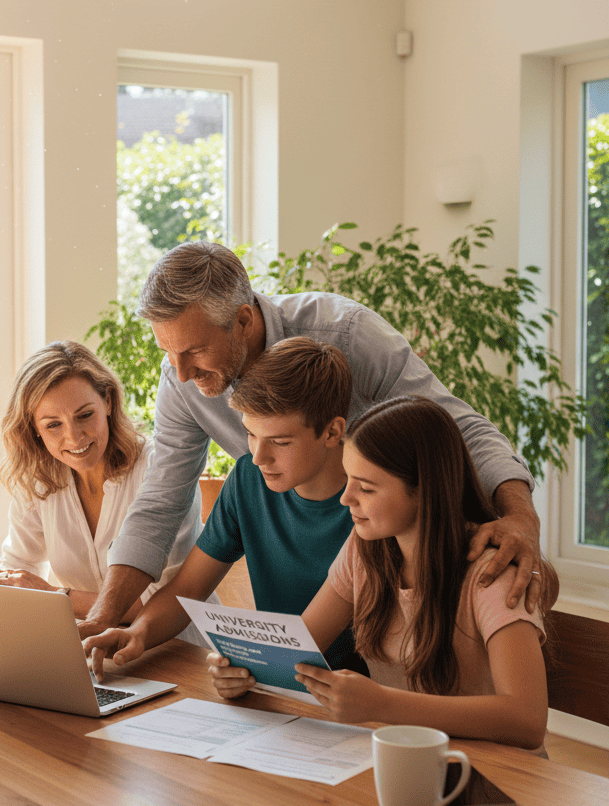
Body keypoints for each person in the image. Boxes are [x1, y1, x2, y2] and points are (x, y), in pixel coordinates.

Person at [78, 241, 545, 641]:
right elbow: (160, 502)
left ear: (243, 320)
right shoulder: (185, 381)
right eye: (167, 352)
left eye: (195, 350)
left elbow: (462, 430)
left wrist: (520, 518)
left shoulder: (346, 334)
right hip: (344, 581)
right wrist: (104, 616)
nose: (180, 372)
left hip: (418, 572)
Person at [210, 396, 553, 752]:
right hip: (409, 758)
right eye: (349, 479)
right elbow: (297, 648)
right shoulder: (365, 550)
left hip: (495, 775)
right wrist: (242, 669)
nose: (346, 499)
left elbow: (527, 720)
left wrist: (382, 704)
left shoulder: (490, 574)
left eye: (367, 487)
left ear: (423, 491)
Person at [85, 337, 364, 679]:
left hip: (360, 692)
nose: (259, 458)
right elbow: (188, 589)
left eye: (280, 441)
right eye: (250, 434)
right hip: (281, 684)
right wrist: (138, 634)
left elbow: (312, 644)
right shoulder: (248, 478)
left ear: (333, 431)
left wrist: (250, 668)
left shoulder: (371, 501)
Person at [0, 341, 210, 641]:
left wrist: (57, 596)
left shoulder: (162, 469)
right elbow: (19, 566)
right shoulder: (39, 479)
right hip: (90, 651)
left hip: (179, 651)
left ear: (107, 402)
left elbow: (167, 599)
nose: (74, 436)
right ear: (34, 428)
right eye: (53, 424)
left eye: (84, 415)